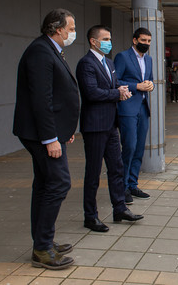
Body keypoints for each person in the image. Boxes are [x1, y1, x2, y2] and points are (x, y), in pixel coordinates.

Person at [13, 8, 79, 270]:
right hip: (40, 134)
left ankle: (44, 242)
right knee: (59, 183)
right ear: (58, 28)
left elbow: (59, 96)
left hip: (48, 132)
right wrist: (51, 138)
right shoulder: (41, 51)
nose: (72, 32)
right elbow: (42, 99)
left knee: (45, 185)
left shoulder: (49, 49)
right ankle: (42, 248)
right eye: (71, 28)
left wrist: (63, 131)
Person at [76, 25, 144, 232]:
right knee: (93, 173)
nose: (109, 42)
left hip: (110, 125)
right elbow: (92, 93)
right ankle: (91, 216)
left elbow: (111, 86)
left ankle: (120, 208)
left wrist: (121, 90)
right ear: (93, 41)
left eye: (110, 39)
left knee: (116, 168)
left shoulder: (109, 63)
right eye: (105, 39)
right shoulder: (86, 64)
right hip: (95, 126)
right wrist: (116, 94)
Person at [114, 27, 154, 204]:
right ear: (135, 40)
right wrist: (136, 86)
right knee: (128, 147)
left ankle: (132, 184)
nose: (146, 44)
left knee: (139, 149)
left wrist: (150, 85)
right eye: (143, 40)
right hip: (127, 109)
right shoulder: (122, 57)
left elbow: (150, 79)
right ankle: (121, 188)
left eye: (149, 41)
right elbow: (115, 82)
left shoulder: (149, 59)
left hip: (143, 108)